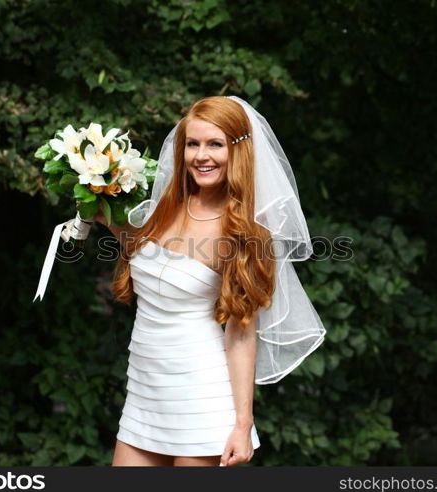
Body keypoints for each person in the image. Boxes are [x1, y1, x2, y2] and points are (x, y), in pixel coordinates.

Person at [93, 95, 326, 467]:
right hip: (144, 393)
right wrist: (101, 211)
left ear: (239, 151)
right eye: (193, 144)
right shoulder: (167, 205)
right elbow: (149, 256)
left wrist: (242, 424)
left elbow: (241, 332)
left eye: (215, 144)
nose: (202, 156)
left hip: (201, 394)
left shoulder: (244, 231)